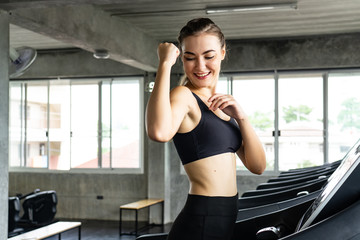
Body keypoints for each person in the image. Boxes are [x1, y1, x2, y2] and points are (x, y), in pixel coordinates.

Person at [146, 18, 266, 240]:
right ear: (181, 59)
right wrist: (164, 64)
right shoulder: (184, 96)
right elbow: (159, 132)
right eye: (190, 58)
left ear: (222, 53)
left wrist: (242, 118)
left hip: (227, 214)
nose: (200, 66)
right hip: (202, 217)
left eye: (208, 56)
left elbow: (257, 166)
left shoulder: (222, 105)